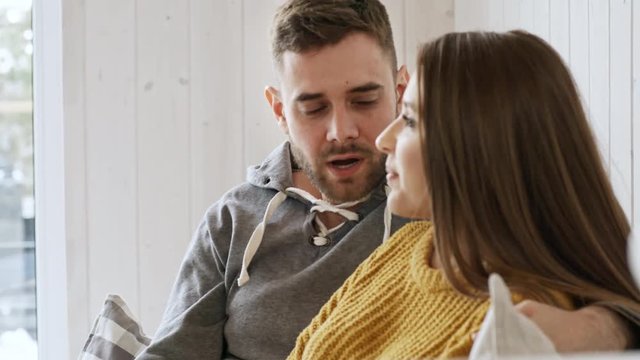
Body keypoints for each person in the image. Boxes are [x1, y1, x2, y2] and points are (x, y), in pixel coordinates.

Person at [137, 2, 636, 359]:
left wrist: (591, 328)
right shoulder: (235, 220)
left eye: (366, 100)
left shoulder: (420, 213)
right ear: (279, 110)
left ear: (399, 90)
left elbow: (576, 268)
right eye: (312, 108)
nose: (349, 133)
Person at [287, 30, 640, 359]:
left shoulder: (508, 324)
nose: (383, 140)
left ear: (477, 146)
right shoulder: (410, 243)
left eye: (409, 121)